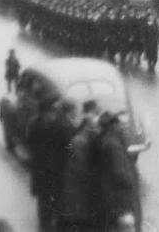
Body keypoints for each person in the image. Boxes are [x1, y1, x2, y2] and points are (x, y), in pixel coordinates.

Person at [27, 96, 74, 232]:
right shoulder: (43, 126)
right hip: (47, 172)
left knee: (49, 205)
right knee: (49, 206)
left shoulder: (37, 124)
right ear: (46, 112)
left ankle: (48, 226)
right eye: (52, 111)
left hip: (47, 172)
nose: (54, 114)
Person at [60, 99, 103, 232]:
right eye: (93, 126)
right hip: (78, 188)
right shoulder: (79, 141)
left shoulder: (83, 139)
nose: (96, 129)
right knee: (79, 218)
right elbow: (79, 167)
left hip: (79, 186)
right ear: (87, 126)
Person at [97, 110, 141, 231]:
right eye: (119, 124)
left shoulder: (108, 140)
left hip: (114, 194)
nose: (121, 127)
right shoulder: (113, 144)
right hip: (122, 197)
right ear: (113, 125)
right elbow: (120, 172)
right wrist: (131, 183)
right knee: (126, 226)